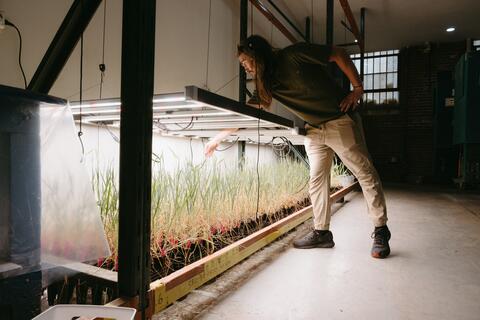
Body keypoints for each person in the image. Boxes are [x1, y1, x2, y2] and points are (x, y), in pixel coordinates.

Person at [204, 35, 390, 259]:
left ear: (258, 55)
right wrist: (219, 137)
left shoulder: (294, 55)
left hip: (339, 119)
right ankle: (322, 233)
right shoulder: (267, 83)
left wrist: (358, 88)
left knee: (364, 173)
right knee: (317, 180)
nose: (245, 68)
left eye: (246, 62)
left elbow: (339, 54)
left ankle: (381, 230)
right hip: (314, 129)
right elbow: (249, 113)